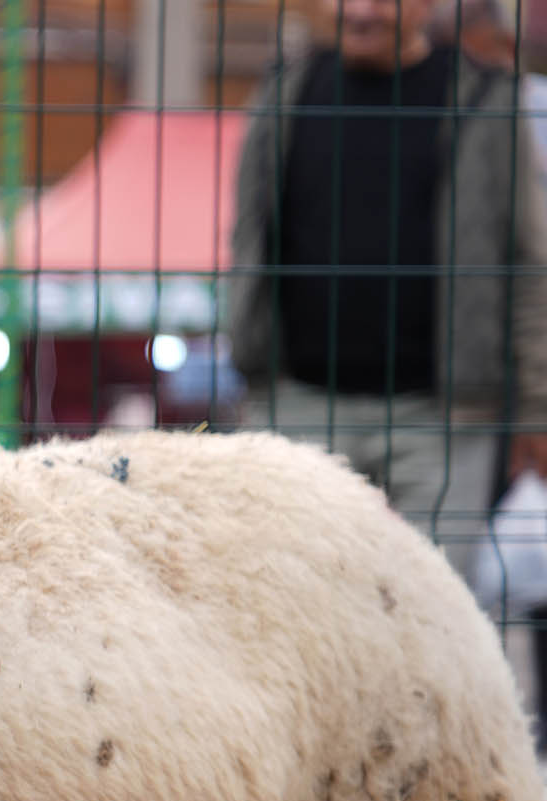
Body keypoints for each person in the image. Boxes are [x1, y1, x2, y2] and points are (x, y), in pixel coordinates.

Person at [230, 0, 547, 586]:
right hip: (301, 404)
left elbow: (528, 263)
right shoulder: (286, 91)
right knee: (297, 606)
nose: (361, 12)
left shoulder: (484, 100)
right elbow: (249, 230)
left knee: (433, 615)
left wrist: (534, 407)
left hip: (443, 419)